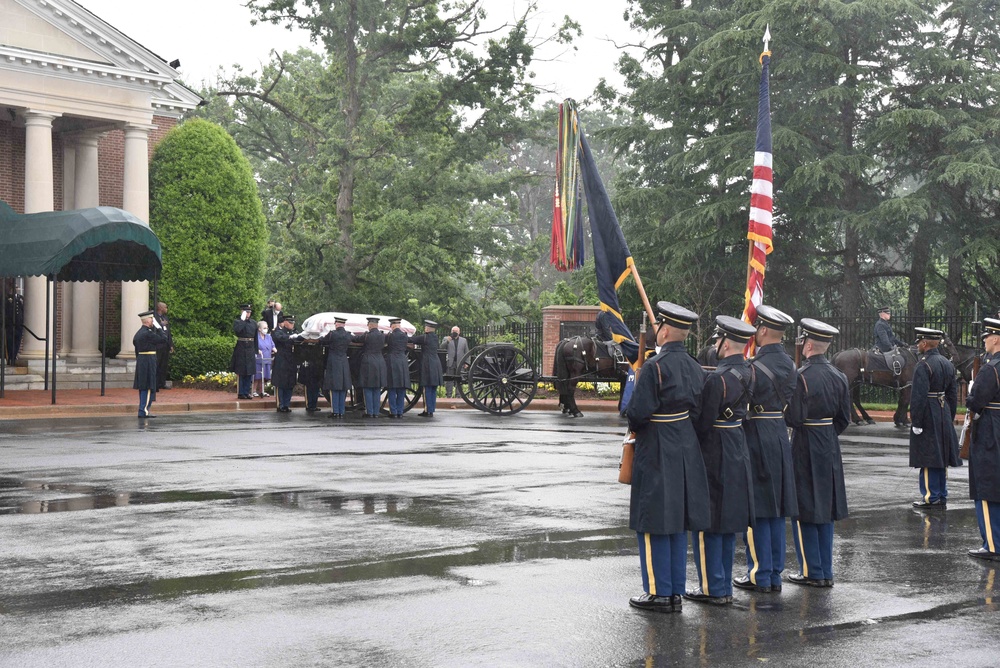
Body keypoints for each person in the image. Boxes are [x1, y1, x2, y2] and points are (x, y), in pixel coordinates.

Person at [624, 301, 709, 614]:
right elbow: (698, 411)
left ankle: (659, 593)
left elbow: (638, 413)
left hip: (658, 444)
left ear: (666, 329)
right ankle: (673, 589)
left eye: (658, 326)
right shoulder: (694, 365)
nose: (656, 330)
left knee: (653, 519)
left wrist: (630, 415)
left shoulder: (654, 367)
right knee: (676, 521)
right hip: (685, 443)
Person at [685, 315, 756, 606]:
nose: (715, 343)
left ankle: (711, 588)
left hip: (715, 448)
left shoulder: (717, 378)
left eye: (717, 339)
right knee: (728, 521)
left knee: (709, 521)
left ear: (725, 343)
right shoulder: (751, 372)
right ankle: (723, 584)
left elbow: (703, 423)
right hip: (737, 445)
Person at [734, 304, 798, 594]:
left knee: (758, 508)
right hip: (779, 433)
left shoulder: (754, 366)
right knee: (775, 509)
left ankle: (759, 573)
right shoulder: (790, 365)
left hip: (757, 433)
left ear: (761, 331)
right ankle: (773, 573)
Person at [785, 318, 851, 587]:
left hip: (806, 442)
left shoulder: (801, 377)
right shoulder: (839, 376)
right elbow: (844, 418)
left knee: (805, 509)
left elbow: (794, 418)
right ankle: (825, 570)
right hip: (829, 443)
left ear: (809, 345)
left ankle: (811, 572)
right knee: (825, 508)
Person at [908, 327, 960, 509]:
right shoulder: (947, 363)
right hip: (943, 410)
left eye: (918, 343)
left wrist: (916, 421)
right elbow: (952, 394)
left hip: (929, 412)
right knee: (941, 456)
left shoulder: (923, 365)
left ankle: (931, 496)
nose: (917, 346)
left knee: (929, 457)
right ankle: (941, 494)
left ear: (924, 343)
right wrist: (949, 415)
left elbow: (918, 397)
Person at [965, 317, 1000, 561]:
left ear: (996, 339)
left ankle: (992, 544)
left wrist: (970, 391)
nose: (985, 340)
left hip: (991, 429)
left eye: (987, 336)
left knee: (986, 488)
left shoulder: (991, 369)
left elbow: (975, 402)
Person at [133, 310, 167, 418]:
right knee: (148, 386)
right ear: (148, 320)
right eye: (152, 319)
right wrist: (159, 328)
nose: (153, 321)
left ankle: (143, 409)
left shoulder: (139, 333)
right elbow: (163, 339)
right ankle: (144, 410)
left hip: (142, 360)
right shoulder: (147, 333)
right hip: (148, 360)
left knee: (144, 386)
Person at [352, 316, 387, 418]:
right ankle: (376, 412)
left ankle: (369, 412)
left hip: (368, 362)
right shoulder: (382, 336)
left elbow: (356, 339)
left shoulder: (367, 336)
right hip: (380, 362)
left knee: (367, 388)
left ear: (370, 325)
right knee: (376, 388)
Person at [409, 319, 443, 417]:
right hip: (436, 363)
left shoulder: (425, 337)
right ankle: (431, 409)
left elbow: (412, 340)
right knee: (433, 388)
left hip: (428, 364)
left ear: (427, 328)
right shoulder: (435, 337)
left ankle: (427, 410)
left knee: (427, 387)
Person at [321, 316, 352, 419]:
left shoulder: (332, 334)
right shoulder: (348, 335)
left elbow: (323, 341)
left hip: (333, 362)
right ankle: (341, 411)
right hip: (344, 361)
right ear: (343, 324)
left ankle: (335, 411)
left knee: (334, 387)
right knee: (343, 387)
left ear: (337, 324)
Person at [271, 314, 299, 413]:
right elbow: (279, 338)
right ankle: (281, 404)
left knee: (290, 383)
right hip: (281, 360)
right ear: (285, 322)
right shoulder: (278, 332)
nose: (292, 325)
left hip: (291, 360)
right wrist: (290, 337)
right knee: (281, 383)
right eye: (290, 322)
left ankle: (287, 404)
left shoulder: (295, 332)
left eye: (293, 323)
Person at [231, 303, 257, 400]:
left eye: (249, 312)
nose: (248, 314)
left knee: (249, 371)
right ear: (242, 312)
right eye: (246, 312)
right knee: (242, 371)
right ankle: (241, 392)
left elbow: (255, 337)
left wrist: (256, 349)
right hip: (241, 347)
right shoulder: (238, 322)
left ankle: (247, 391)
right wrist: (242, 320)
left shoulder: (253, 323)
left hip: (250, 348)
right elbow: (237, 330)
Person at [385, 317, 410, 418]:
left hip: (392, 361)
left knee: (392, 388)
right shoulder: (404, 335)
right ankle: (400, 411)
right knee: (401, 388)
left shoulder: (390, 336)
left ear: (392, 326)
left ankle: (393, 411)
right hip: (403, 361)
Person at [296, 330, 326, 412]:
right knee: (309, 387)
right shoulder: (304, 343)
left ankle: (314, 405)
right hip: (308, 368)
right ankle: (309, 405)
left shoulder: (320, 342)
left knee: (316, 387)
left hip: (317, 368)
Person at [444, 325, 469, 398]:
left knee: (459, 379)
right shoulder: (446, 338)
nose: (454, 333)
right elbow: (441, 347)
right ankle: (448, 395)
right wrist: (447, 341)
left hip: (460, 363)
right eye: (453, 331)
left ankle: (458, 395)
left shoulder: (463, 340)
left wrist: (466, 362)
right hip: (450, 362)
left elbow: (467, 352)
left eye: (456, 331)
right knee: (449, 380)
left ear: (459, 332)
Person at [153, 302, 173, 390]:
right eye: (165, 307)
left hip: (165, 345)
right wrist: (161, 324)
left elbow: (169, 333)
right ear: (160, 308)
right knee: (157, 364)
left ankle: (162, 383)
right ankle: (156, 384)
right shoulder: (155, 318)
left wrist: (171, 345)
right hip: (158, 345)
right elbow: (155, 330)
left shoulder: (165, 318)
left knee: (164, 365)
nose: (166, 309)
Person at [255, 320, 275, 397]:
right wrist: (258, 350)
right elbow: (255, 346)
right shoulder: (256, 337)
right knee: (257, 376)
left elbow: (273, 345)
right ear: (259, 329)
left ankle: (262, 391)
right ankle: (253, 390)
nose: (266, 329)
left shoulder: (269, 336)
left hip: (267, 358)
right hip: (259, 358)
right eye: (264, 328)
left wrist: (275, 349)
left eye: (266, 328)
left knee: (265, 376)